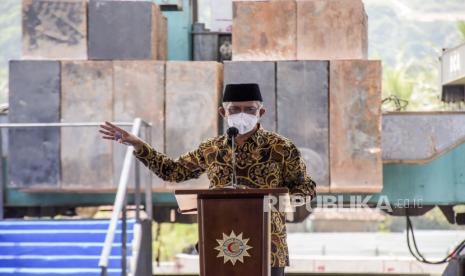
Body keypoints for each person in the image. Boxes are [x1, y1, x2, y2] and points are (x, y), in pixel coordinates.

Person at [99, 83, 317, 276]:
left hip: (268, 243)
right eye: (235, 110)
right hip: (219, 242)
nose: (243, 114)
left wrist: (273, 200)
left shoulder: (281, 147)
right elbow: (172, 171)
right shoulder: (211, 148)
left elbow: (306, 188)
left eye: (250, 109)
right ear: (223, 112)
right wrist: (139, 145)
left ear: (261, 112)